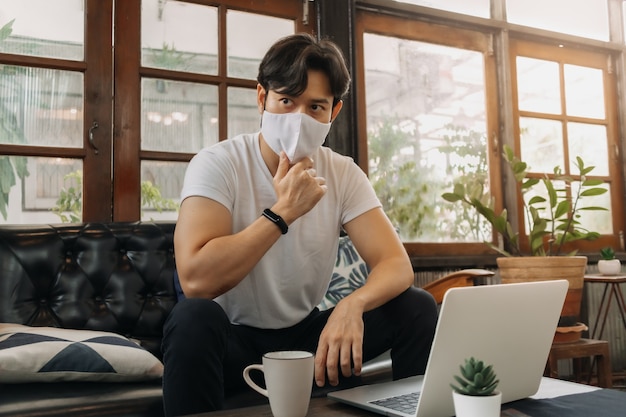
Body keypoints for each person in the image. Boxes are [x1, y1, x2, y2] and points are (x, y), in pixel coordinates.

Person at [161, 33, 438, 416]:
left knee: (416, 307)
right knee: (192, 317)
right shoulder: (218, 163)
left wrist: (351, 305)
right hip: (231, 343)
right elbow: (196, 281)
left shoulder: (342, 173)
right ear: (262, 98)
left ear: (333, 113)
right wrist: (283, 212)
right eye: (287, 101)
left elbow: (396, 264)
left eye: (315, 107)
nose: (298, 119)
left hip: (309, 343)